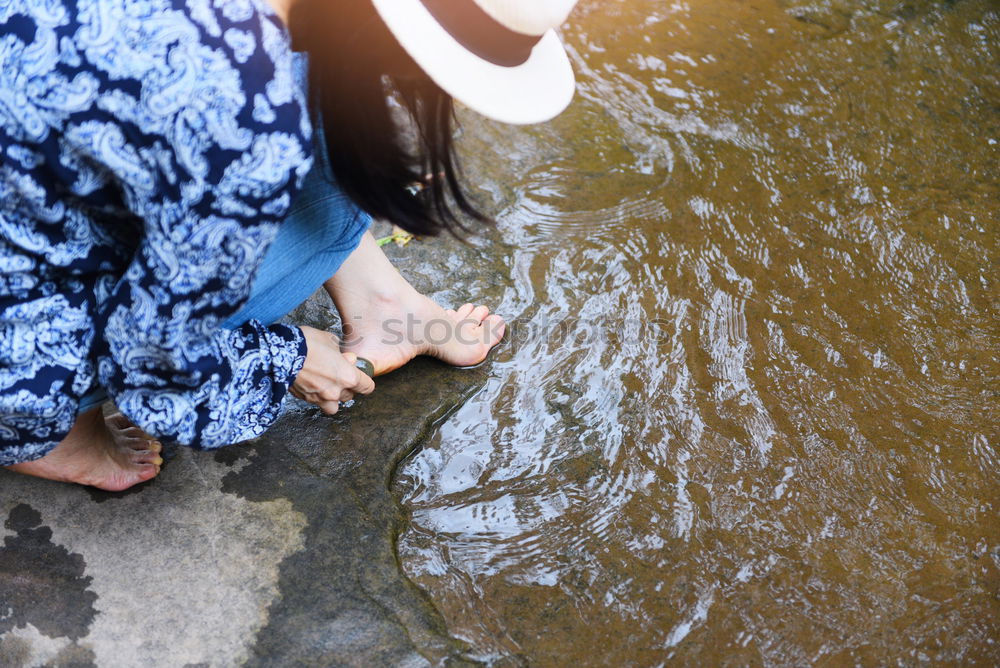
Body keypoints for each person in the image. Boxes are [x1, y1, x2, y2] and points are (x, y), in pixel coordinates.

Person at [0, 0, 579, 491]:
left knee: (312, 81)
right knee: (299, 112)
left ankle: (384, 303)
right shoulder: (243, 114)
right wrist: (289, 356)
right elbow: (157, 375)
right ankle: (51, 431)